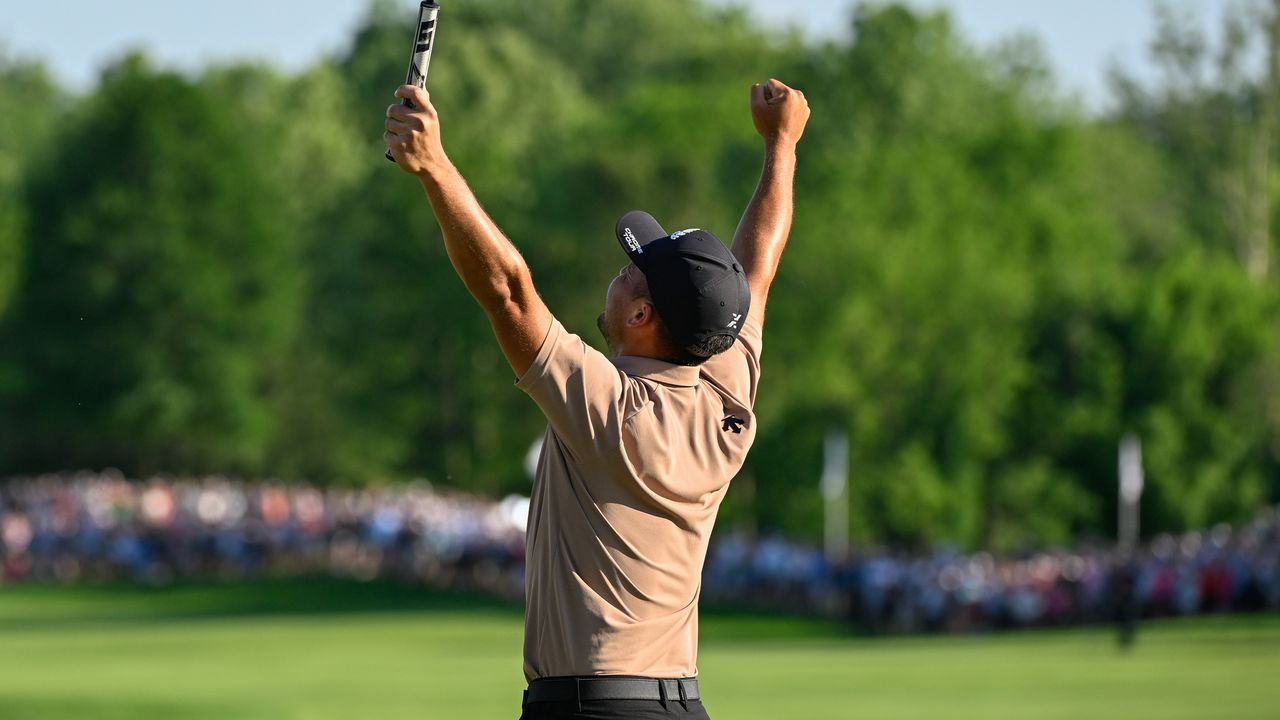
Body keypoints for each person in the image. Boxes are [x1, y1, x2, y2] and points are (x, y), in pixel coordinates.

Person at [384, 76, 809, 720]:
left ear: (642, 315)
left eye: (626, 271)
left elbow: (508, 291)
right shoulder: (725, 402)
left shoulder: (613, 411)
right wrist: (781, 146)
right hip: (680, 705)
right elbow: (758, 266)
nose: (615, 276)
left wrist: (435, 168)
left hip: (590, 707)